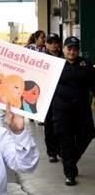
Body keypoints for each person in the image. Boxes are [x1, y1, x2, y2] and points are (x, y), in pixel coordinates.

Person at [51, 36, 95, 185]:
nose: (72, 52)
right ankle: (70, 174)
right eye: (69, 48)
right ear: (63, 49)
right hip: (62, 111)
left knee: (88, 134)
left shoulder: (86, 64)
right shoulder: (55, 65)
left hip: (82, 110)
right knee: (66, 141)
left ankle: (70, 160)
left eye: (75, 49)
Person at [42, 34, 65, 163]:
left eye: (56, 42)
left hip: (62, 96)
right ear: (46, 44)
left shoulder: (65, 57)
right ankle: (51, 152)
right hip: (47, 97)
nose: (53, 45)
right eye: (50, 42)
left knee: (62, 125)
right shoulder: (41, 59)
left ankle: (61, 150)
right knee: (49, 125)